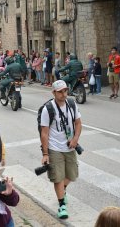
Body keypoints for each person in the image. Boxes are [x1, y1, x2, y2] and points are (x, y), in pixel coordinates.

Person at [40, 80, 82, 219]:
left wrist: (75, 139)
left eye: (65, 91)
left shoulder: (71, 103)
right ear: (54, 93)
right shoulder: (48, 108)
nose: (64, 94)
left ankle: (62, 190)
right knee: (58, 177)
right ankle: (61, 205)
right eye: (60, 92)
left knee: (72, 175)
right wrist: (45, 153)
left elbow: (78, 123)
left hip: (70, 146)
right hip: (54, 148)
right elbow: (44, 133)